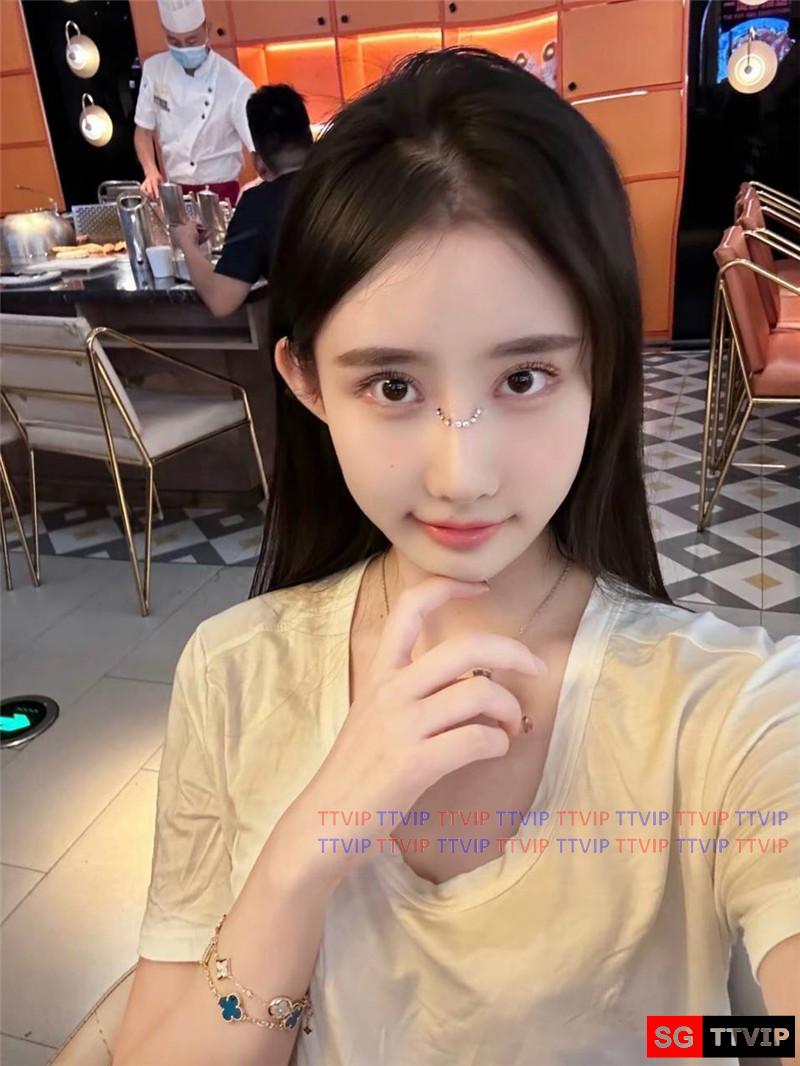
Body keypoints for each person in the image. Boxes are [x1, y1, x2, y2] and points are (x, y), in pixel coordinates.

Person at [113, 48, 800, 1066]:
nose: (461, 475)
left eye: (523, 377)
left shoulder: (726, 709)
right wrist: (302, 859)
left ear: (601, 363)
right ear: (306, 382)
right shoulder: (234, 673)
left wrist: (699, 1042)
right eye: (391, 387)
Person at [170, 84, 312, 318]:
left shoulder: (258, 204)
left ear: (258, 162)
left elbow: (221, 300)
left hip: (317, 335)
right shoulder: (349, 179)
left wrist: (187, 244)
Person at [133, 0, 255, 205]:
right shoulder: (155, 70)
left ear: (206, 29)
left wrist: (259, 183)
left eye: (191, 41)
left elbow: (258, 145)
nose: (183, 49)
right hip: (175, 193)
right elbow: (143, 130)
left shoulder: (235, 83)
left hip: (222, 193)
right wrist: (150, 170)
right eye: (174, 41)